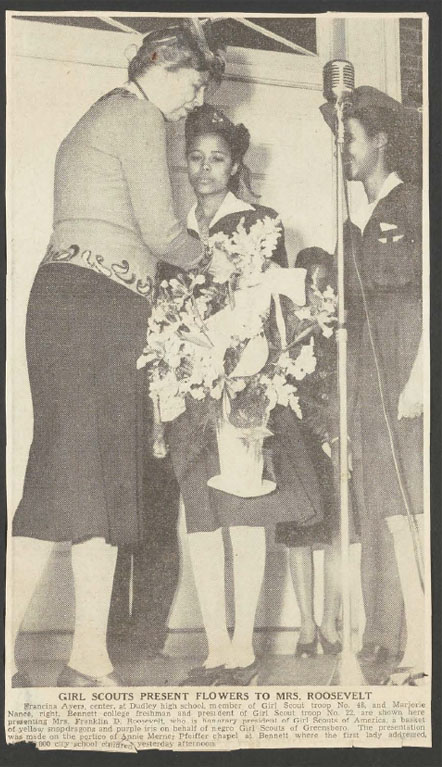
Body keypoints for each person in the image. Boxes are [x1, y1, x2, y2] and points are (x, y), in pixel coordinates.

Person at [9, 23, 225, 688]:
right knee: (60, 486)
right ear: (163, 65)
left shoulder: (104, 112)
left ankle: (88, 655)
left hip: (88, 306)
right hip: (91, 309)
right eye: (194, 82)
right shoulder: (137, 116)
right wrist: (218, 260)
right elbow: (163, 233)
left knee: (96, 491)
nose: (195, 99)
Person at [162, 105, 325, 685]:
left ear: (235, 167)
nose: (205, 169)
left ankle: (245, 648)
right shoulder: (173, 231)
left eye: (217, 159)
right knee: (201, 516)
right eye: (196, 158)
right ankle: (214, 650)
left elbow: (275, 308)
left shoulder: (260, 221)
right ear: (184, 163)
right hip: (187, 391)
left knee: (246, 512)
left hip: (245, 385)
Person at [323, 86, 424, 681]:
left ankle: (420, 643)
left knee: (410, 507)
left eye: (350, 137)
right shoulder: (352, 217)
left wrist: (419, 377)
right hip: (365, 372)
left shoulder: (412, 203)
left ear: (381, 141)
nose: (343, 149)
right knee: (378, 507)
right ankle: (388, 639)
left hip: (403, 366)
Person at [275, 247, 345, 658]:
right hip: (296, 439)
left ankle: (330, 622)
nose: (317, 288)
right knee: (298, 535)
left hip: (332, 437)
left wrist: (338, 435)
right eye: (310, 281)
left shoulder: (338, 327)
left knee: (338, 532)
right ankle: (305, 625)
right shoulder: (282, 326)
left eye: (324, 281)